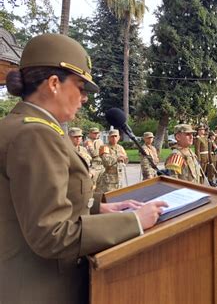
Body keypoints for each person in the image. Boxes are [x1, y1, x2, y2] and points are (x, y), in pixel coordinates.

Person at [0, 33, 166, 304]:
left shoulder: (22, 124)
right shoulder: (35, 134)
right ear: (54, 83)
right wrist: (134, 221)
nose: (84, 98)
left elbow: (34, 201)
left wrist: (96, 207)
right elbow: (50, 234)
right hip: (43, 290)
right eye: (80, 86)